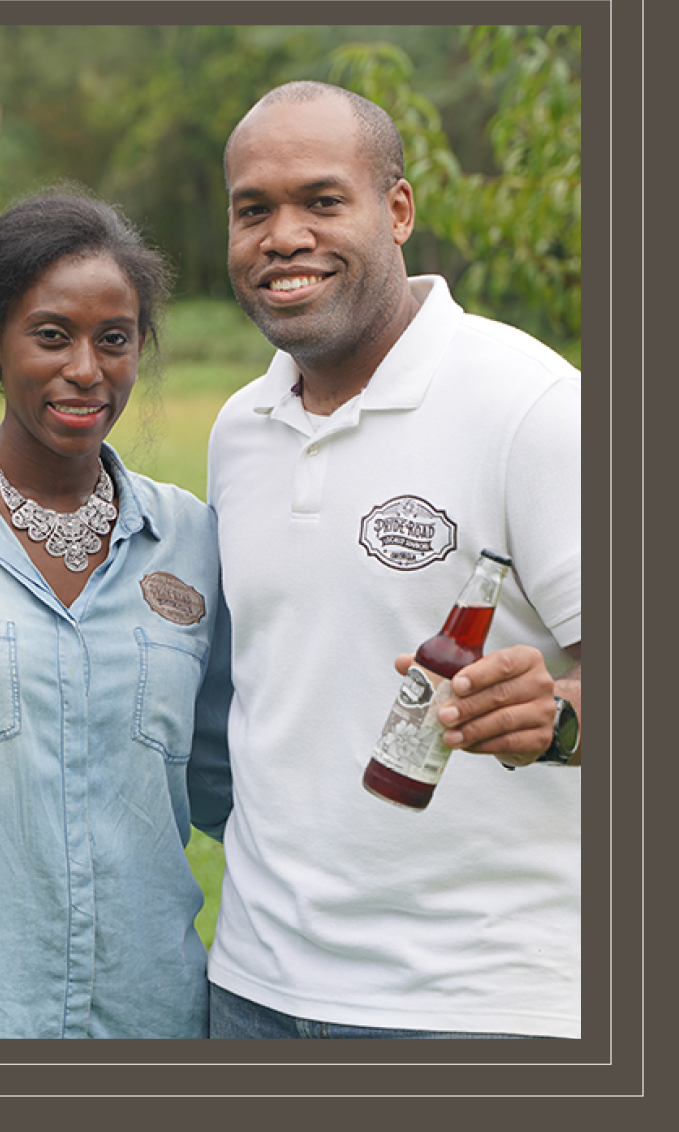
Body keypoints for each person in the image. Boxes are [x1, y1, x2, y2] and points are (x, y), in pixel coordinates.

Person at [205, 81, 581, 1039]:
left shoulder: (532, 404)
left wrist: (560, 720)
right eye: (254, 210)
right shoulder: (240, 428)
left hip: (475, 1002)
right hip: (253, 987)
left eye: (322, 201)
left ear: (399, 209)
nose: (283, 235)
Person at [0, 186, 232, 1039]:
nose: (87, 369)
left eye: (115, 339)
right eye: (52, 335)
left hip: (148, 1027)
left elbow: (237, 782)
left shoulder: (191, 540)